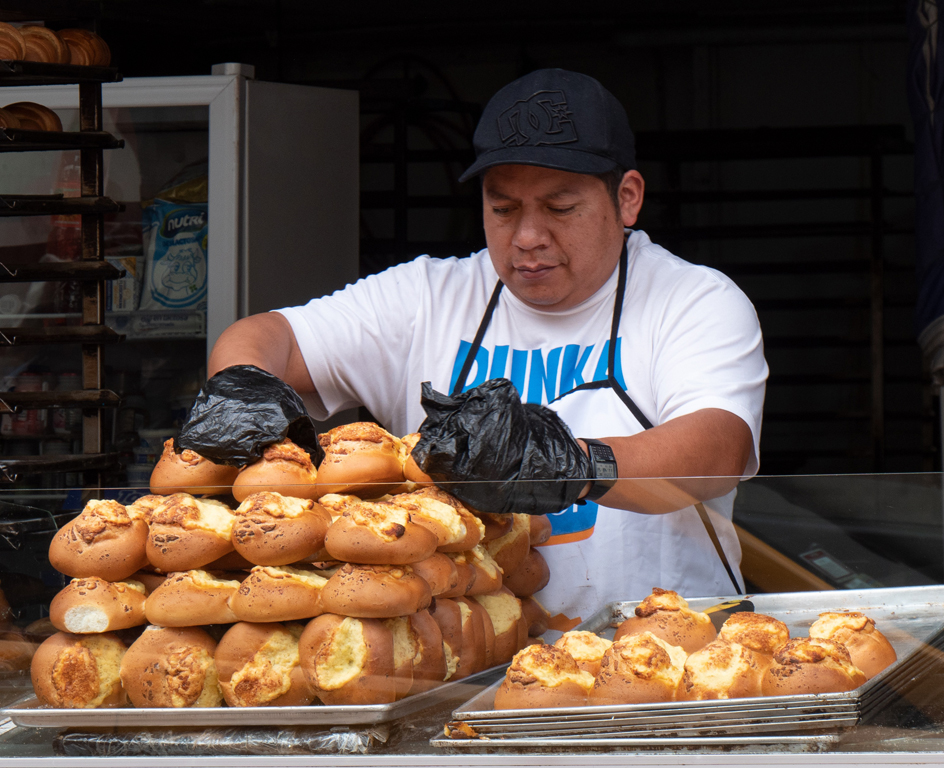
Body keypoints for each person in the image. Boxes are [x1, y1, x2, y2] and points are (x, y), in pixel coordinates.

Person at [191, 68, 768, 626]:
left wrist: (571, 465)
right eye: (503, 208)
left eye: (560, 208)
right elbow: (266, 336)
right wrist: (243, 385)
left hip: (663, 654)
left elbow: (719, 452)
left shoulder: (693, 300)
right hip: (471, 669)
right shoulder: (428, 296)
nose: (527, 236)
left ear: (628, 198)